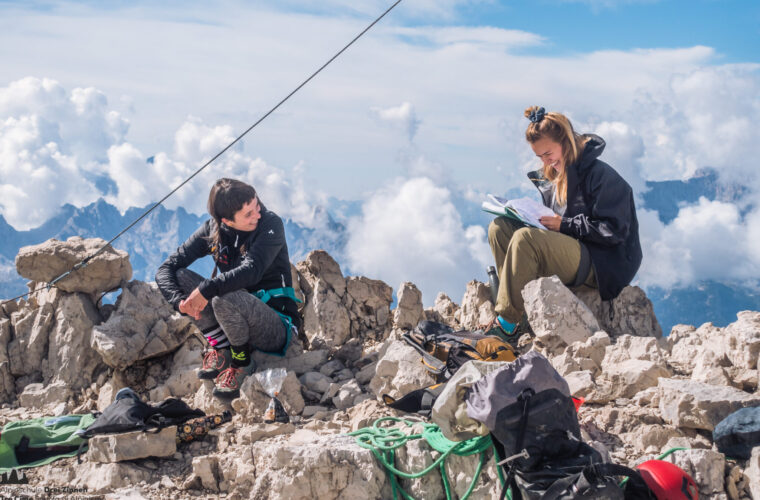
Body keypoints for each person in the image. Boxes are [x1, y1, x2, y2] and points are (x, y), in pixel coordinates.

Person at [488, 106, 642, 339]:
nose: (546, 162)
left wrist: (564, 224)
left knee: (525, 239)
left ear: (566, 142)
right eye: (540, 157)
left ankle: (508, 324)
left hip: (600, 264)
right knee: (499, 228)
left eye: (548, 154)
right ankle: (521, 313)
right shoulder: (553, 178)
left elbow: (614, 230)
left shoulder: (602, 176)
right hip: (571, 250)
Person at [156, 178, 301, 399]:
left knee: (221, 295)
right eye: (248, 214)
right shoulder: (213, 230)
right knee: (180, 277)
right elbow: (166, 269)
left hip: (277, 324)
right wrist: (179, 302)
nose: (258, 215)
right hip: (234, 317)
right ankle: (222, 347)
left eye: (257, 206)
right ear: (227, 221)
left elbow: (251, 271)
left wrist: (205, 290)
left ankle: (242, 362)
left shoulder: (270, 224)